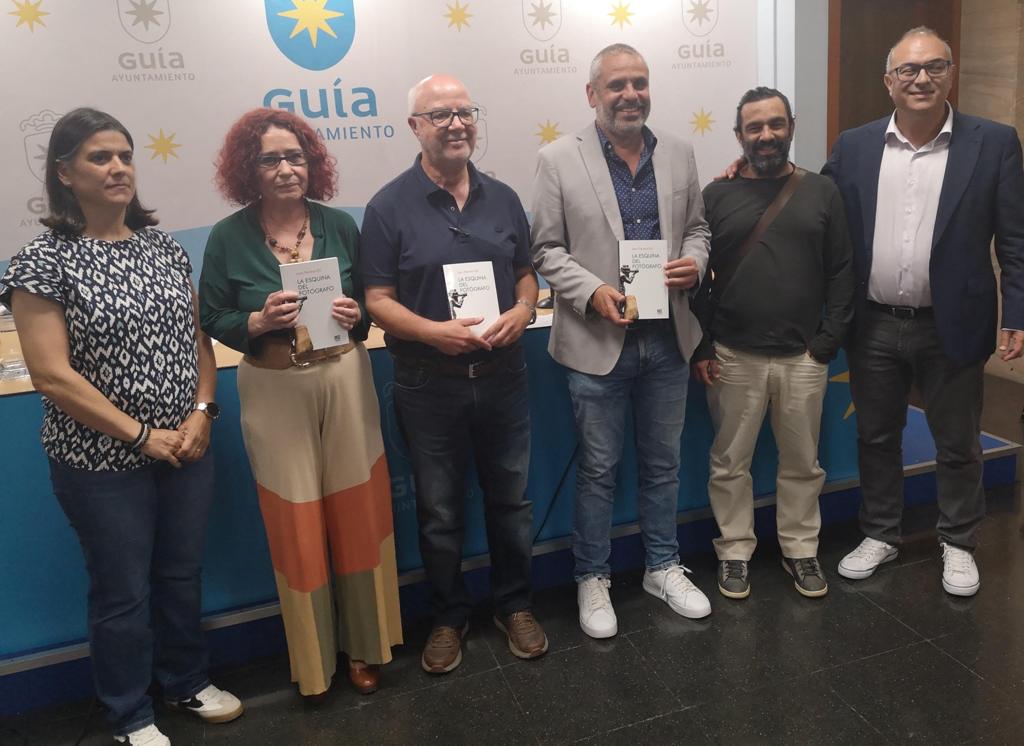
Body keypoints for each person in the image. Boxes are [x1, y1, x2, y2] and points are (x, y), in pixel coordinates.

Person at [0, 108, 242, 746]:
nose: (118, 169)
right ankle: (130, 712)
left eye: (125, 156)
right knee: (122, 591)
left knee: (180, 573)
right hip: (99, 464)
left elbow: (196, 340)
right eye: (99, 158)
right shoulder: (40, 263)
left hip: (185, 448)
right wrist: (140, 435)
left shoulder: (162, 246)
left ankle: (186, 680)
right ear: (64, 173)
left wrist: (201, 412)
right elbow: (52, 376)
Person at [198, 108, 402, 697]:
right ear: (248, 169)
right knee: (297, 525)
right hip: (273, 386)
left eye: (297, 157)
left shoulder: (339, 224)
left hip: (343, 378)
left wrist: (357, 312)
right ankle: (315, 663)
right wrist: (255, 320)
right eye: (271, 159)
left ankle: (367, 646)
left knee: (359, 515)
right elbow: (212, 316)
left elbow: (370, 297)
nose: (287, 169)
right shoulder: (228, 237)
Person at [823, 27, 1024, 596]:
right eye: (909, 70)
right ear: (889, 81)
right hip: (874, 323)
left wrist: (1018, 313)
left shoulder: (994, 143)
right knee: (877, 436)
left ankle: (959, 542)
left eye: (934, 67)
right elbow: (817, 212)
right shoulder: (855, 144)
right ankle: (881, 533)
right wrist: (751, 180)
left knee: (958, 441)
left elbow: (1015, 240)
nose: (921, 78)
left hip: (953, 324)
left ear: (950, 75)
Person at [361, 74, 547, 674]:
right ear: (415, 127)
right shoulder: (387, 206)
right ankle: (447, 616)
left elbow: (526, 273)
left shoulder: (504, 197)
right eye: (439, 116)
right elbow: (377, 299)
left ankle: (513, 604)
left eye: (464, 112)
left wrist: (523, 310)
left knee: (511, 500)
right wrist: (432, 331)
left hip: (503, 373)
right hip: (426, 382)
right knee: (439, 509)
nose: (456, 124)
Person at [530, 43, 713, 639]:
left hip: (668, 339)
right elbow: (545, 250)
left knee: (662, 465)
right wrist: (592, 291)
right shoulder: (558, 159)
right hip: (596, 341)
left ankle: (662, 565)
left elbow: (699, 229)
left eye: (639, 82)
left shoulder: (680, 152)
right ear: (592, 95)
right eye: (616, 85)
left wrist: (694, 261)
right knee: (600, 470)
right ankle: (592, 575)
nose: (630, 94)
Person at [693, 87, 854, 600]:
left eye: (775, 124)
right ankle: (735, 551)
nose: (766, 135)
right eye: (755, 127)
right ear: (739, 135)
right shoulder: (714, 197)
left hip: (804, 357)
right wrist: (700, 346)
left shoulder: (821, 192)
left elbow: (843, 270)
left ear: (792, 126)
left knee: (803, 463)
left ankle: (800, 550)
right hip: (732, 355)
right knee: (729, 463)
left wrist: (827, 342)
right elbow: (698, 278)